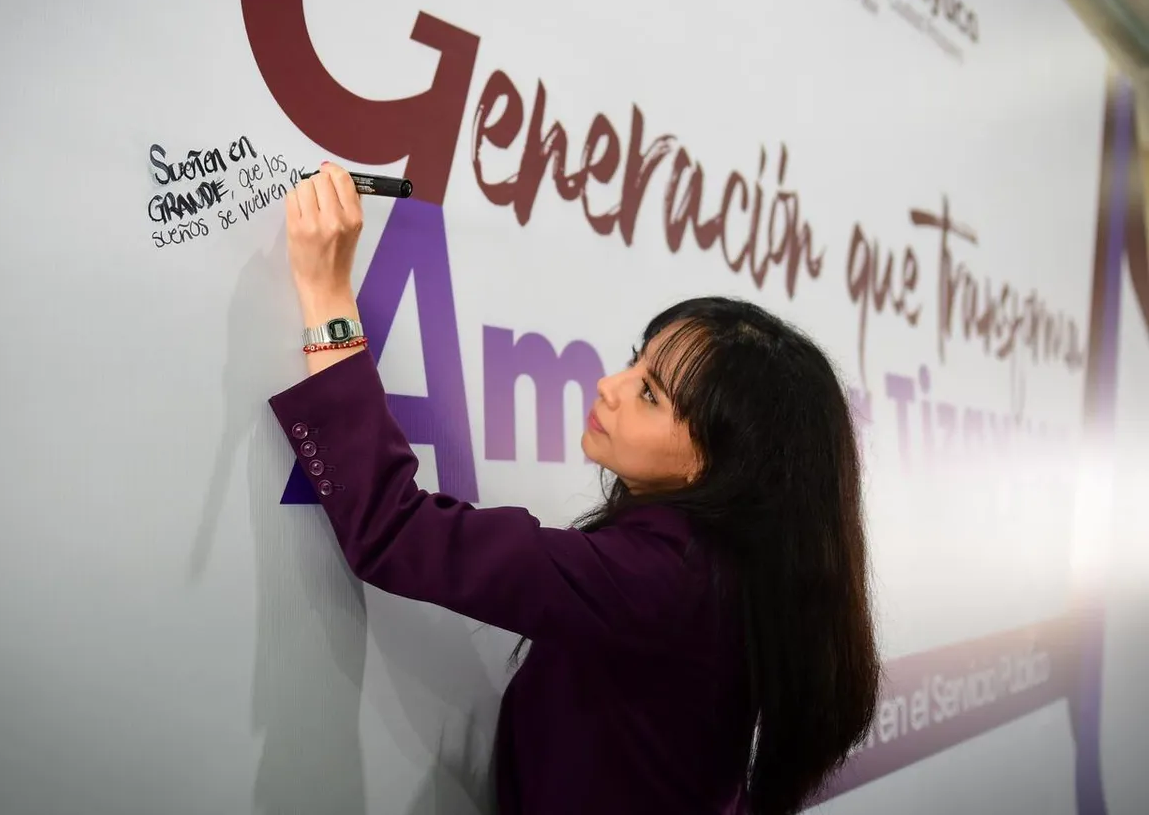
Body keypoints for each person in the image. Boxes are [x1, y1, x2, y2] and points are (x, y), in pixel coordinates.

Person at [268, 162, 881, 815]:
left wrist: (326, 292)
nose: (608, 387)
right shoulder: (737, 562)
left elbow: (393, 532)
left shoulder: (664, 580)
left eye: (650, 393)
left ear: (717, 464)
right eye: (634, 359)